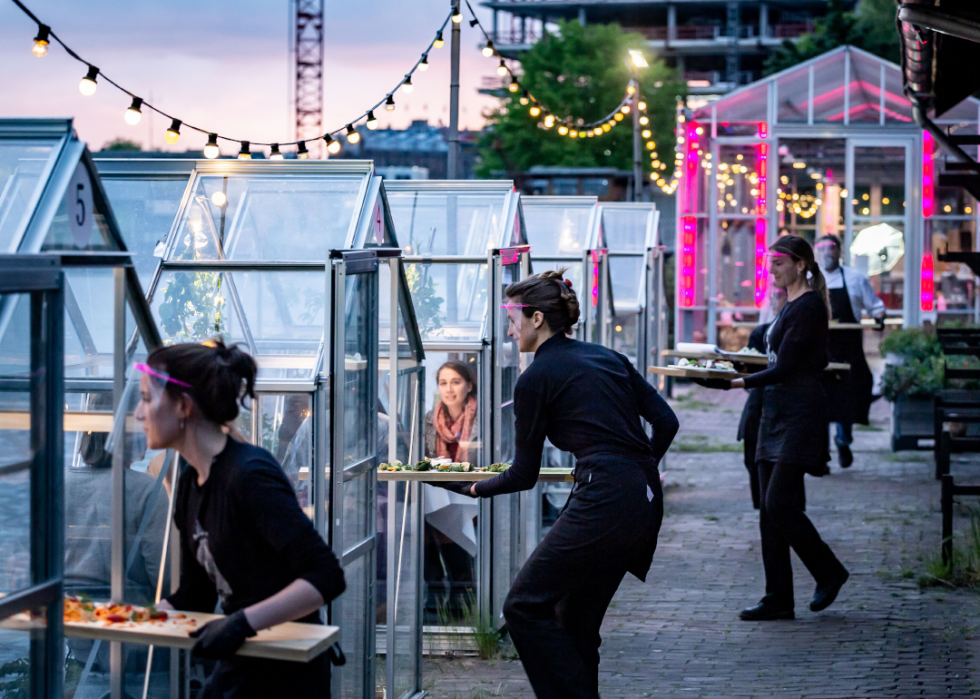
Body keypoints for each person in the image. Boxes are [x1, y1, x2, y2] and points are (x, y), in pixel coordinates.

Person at [441, 270, 678, 699]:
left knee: (522, 606)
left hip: (604, 496)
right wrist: (635, 470)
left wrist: (473, 488)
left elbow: (523, 474)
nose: (509, 331)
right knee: (576, 620)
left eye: (512, 320)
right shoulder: (608, 357)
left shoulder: (534, 378)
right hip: (640, 498)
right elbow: (666, 421)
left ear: (535, 319)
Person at [135, 339, 346, 698]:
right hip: (242, 662)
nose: (139, 414)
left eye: (146, 398)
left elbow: (325, 576)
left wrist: (241, 623)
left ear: (184, 406)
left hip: (287, 674)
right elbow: (196, 594)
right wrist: (135, 619)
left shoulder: (249, 475)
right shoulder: (190, 480)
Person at [703, 236, 849, 621]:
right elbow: (774, 359)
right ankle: (778, 597)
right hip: (775, 413)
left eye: (779, 263)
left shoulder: (809, 307)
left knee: (779, 503)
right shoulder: (790, 307)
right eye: (770, 263)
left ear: (802, 264)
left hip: (799, 414)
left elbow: (786, 367)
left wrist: (735, 383)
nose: (772, 270)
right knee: (769, 512)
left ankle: (829, 571)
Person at [816, 234, 886, 468]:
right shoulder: (811, 280)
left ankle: (843, 441)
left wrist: (878, 317)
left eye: (832, 248)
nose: (827, 253)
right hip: (819, 348)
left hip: (848, 348)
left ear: (839, 251)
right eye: (822, 248)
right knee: (820, 401)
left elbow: (875, 305)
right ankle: (821, 453)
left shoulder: (855, 279)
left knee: (845, 398)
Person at [422, 361, 481, 618]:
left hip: (474, 491)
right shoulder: (430, 418)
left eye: (455, 382)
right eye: (443, 383)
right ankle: (437, 588)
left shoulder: (482, 417)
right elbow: (426, 457)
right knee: (424, 519)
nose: (449, 389)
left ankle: (462, 590)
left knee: (452, 516)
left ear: (469, 386)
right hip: (439, 490)